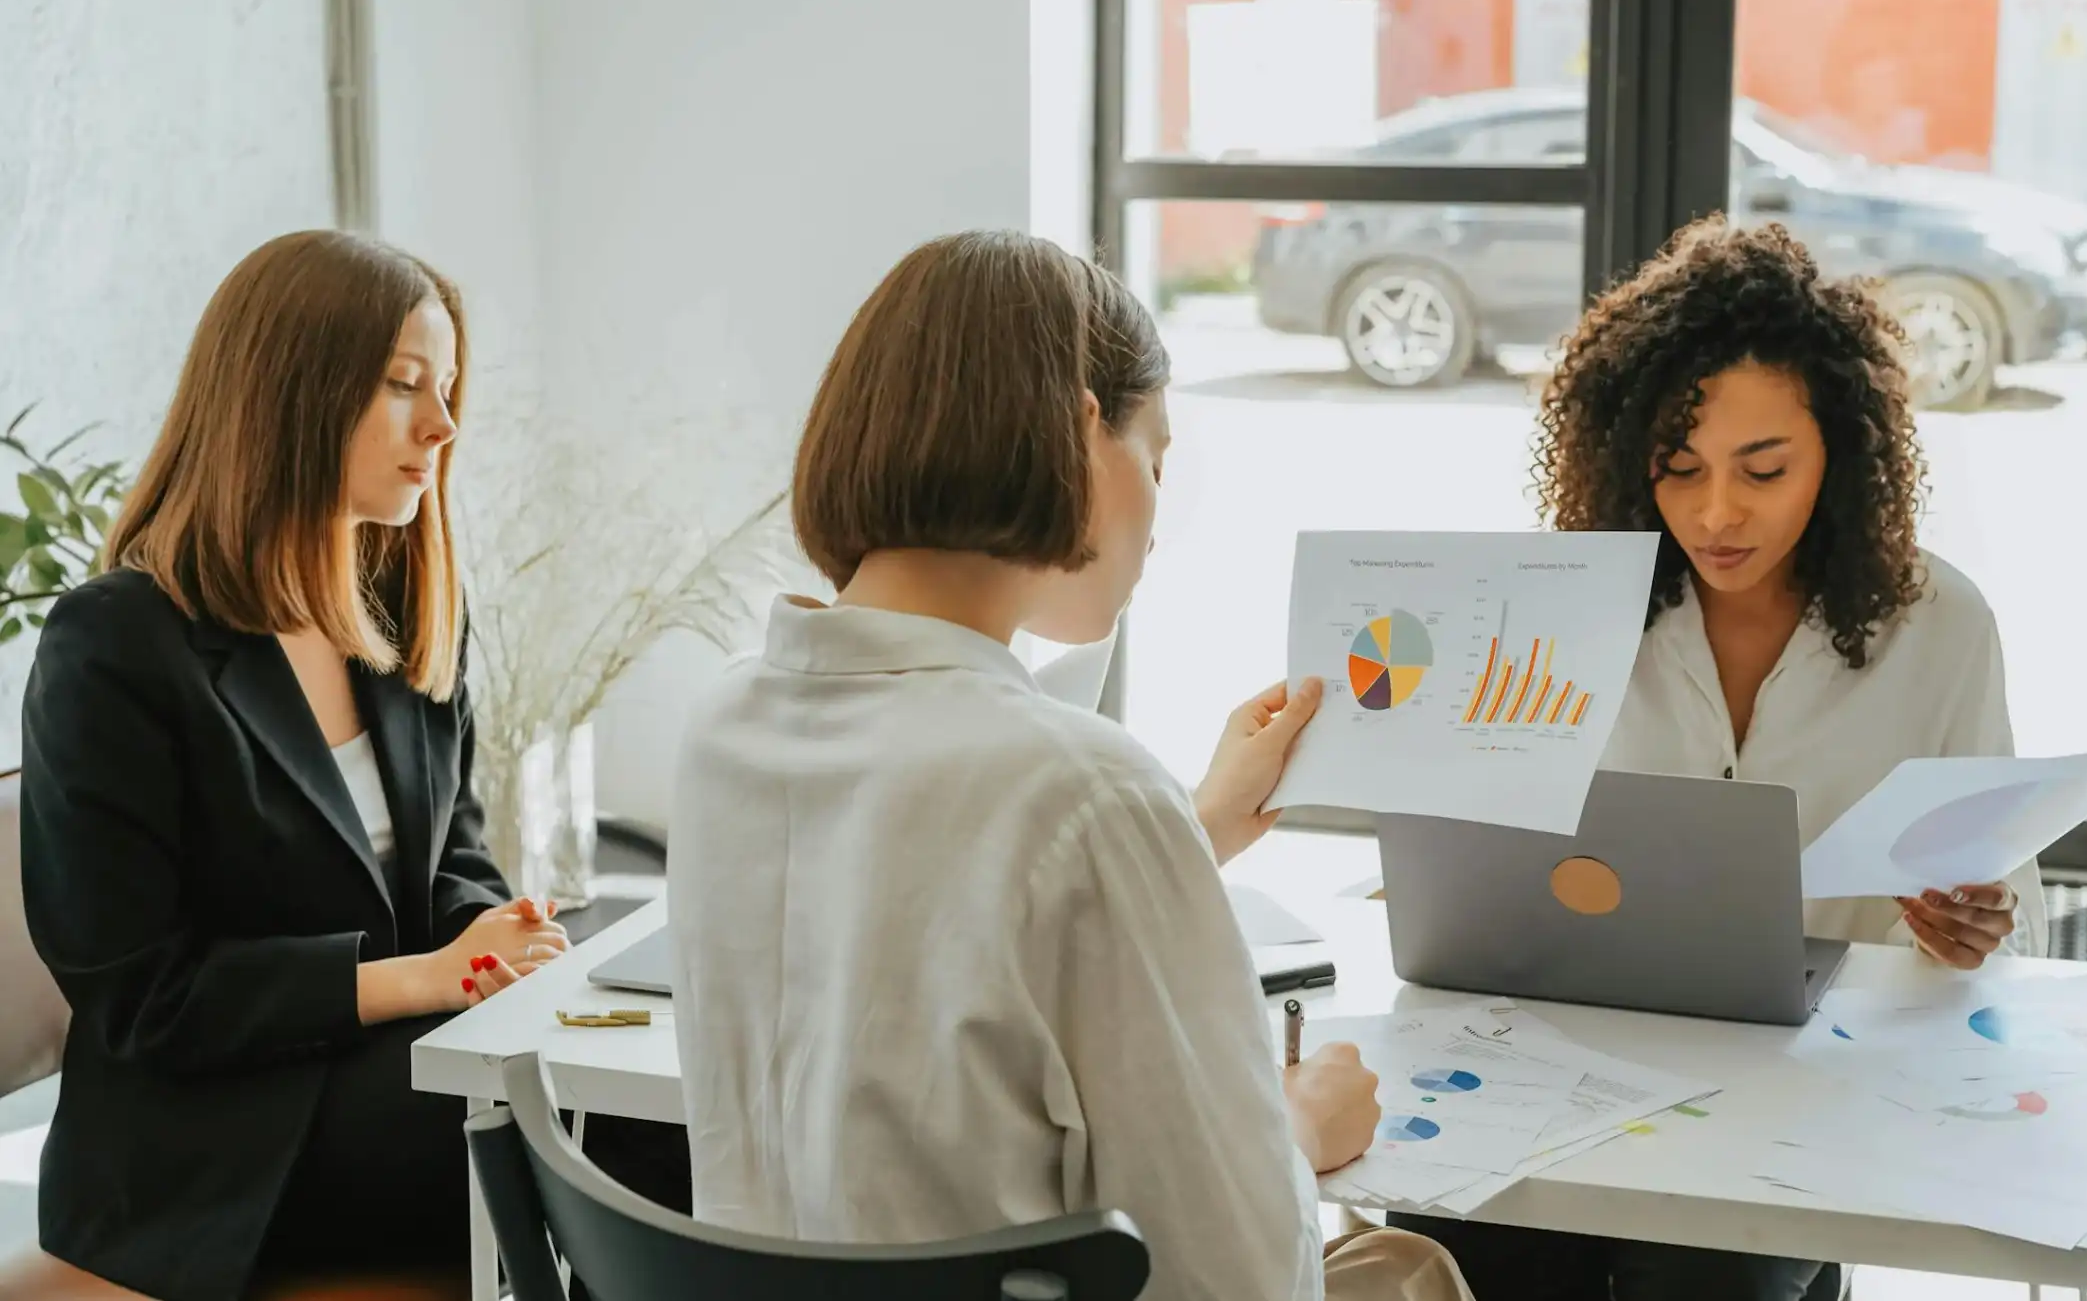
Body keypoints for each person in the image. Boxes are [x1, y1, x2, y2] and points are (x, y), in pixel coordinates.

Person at [666, 230, 1474, 1301]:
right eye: (1157, 454)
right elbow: (1239, 1277)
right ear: (1082, 432)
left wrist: (1182, 834)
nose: (1157, 516)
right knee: (1405, 1266)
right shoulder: (1081, 793)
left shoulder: (723, 724)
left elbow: (932, 916)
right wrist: (1296, 1124)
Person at [1400, 217, 2045, 1301]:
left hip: (1803, 1094)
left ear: (1840, 451)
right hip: (1569, 1062)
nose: (1716, 512)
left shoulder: (1940, 626)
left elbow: (1996, 892)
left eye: (1763, 468)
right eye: (1677, 468)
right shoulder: (1567, 609)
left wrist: (1971, 921)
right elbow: (1479, 860)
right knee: (1452, 1234)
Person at [12, 231, 567, 1301]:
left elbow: (455, 860)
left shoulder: (408, 612)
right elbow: (143, 999)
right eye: (406, 384)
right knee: (630, 1143)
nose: (444, 426)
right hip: (205, 1144)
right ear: (291, 392)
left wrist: (501, 950)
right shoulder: (116, 643)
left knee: (654, 1110)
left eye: (447, 389)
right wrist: (419, 979)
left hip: (389, 1077)